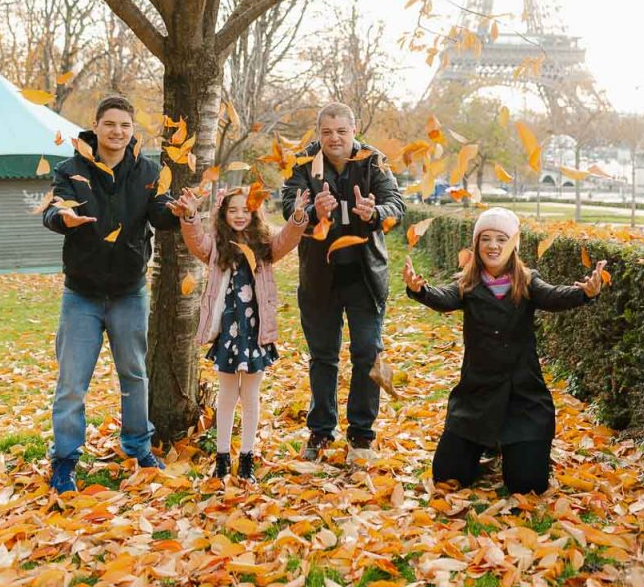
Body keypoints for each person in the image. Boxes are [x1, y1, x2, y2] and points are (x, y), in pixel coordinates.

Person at [403, 206, 607, 494]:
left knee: (526, 484)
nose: (493, 245)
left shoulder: (527, 281)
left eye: (502, 238)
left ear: (513, 244)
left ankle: (516, 447)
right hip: (477, 395)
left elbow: (553, 296)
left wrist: (585, 293)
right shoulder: (467, 282)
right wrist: (420, 290)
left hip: (522, 396)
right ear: (476, 244)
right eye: (485, 238)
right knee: (448, 475)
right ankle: (488, 444)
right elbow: (444, 298)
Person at [43, 95, 179, 493]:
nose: (117, 132)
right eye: (110, 124)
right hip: (81, 294)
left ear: (132, 131)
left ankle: (138, 446)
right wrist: (63, 218)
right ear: (96, 126)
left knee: (134, 375)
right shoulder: (70, 168)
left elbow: (160, 214)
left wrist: (181, 212)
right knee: (71, 382)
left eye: (125, 125)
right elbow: (54, 210)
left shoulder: (149, 171)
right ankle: (65, 460)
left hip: (128, 292)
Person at [281, 102, 405, 461]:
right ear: (318, 134)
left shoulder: (373, 161)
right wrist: (308, 212)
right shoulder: (304, 163)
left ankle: (361, 436)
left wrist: (376, 212)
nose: (334, 138)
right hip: (320, 276)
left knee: (367, 352)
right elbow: (288, 202)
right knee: (323, 356)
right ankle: (321, 432)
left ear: (353, 131)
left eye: (341, 131)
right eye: (326, 132)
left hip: (364, 275)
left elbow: (396, 203)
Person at [171, 183, 311, 481]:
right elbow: (196, 242)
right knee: (226, 395)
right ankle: (222, 458)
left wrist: (298, 218)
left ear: (255, 212)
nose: (239, 215)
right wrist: (190, 216)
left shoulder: (264, 245)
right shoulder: (217, 245)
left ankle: (246, 457)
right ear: (223, 213)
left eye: (245, 210)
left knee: (250, 396)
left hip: (256, 332)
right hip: (228, 334)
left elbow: (286, 240)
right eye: (232, 210)